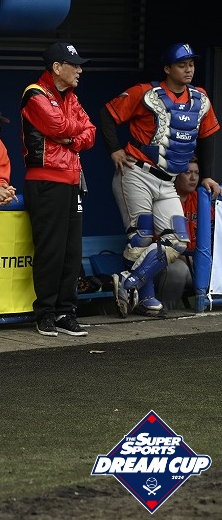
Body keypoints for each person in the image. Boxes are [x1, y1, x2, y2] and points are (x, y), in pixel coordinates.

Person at [99, 42, 221, 318]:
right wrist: (114, 149)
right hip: (137, 173)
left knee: (178, 240)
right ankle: (146, 297)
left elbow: (208, 135)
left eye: (191, 64)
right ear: (167, 68)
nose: (188, 69)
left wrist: (208, 175)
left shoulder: (200, 98)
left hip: (168, 181)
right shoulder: (145, 92)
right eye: (182, 65)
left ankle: (128, 282)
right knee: (141, 237)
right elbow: (107, 113)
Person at [21, 42, 96, 337]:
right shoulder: (35, 93)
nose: (79, 70)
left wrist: (72, 139)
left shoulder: (71, 97)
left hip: (72, 180)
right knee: (50, 251)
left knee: (71, 252)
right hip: (45, 181)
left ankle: (66, 312)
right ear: (57, 67)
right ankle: (45, 313)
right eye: (74, 65)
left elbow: (90, 133)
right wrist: (71, 131)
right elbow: (58, 127)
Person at [155, 155, 212, 310]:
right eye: (188, 173)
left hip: (198, 264)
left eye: (196, 173)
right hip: (168, 263)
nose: (193, 178)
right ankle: (165, 313)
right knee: (178, 270)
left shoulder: (201, 199)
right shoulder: (164, 199)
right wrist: (189, 259)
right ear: (177, 175)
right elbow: (159, 244)